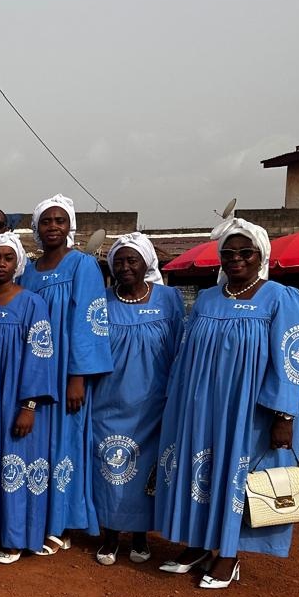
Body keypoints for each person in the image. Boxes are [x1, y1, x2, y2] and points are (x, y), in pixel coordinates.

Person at [151, 218, 299, 590]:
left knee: (236, 476)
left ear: (260, 255)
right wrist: (177, 399)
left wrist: (284, 415)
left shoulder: (280, 297)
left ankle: (229, 555)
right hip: (201, 406)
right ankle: (199, 545)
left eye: (245, 253)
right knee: (200, 472)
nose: (236, 259)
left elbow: (291, 359)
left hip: (247, 410)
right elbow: (186, 352)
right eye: (229, 253)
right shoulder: (207, 298)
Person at [18, 194, 115, 552]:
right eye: (47, 221)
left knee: (66, 443)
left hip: (66, 374)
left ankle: (64, 522)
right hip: (35, 373)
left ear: (69, 226)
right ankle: (39, 516)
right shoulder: (29, 270)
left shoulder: (82, 265)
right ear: (37, 228)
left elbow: (87, 321)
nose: (53, 227)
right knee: (39, 444)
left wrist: (78, 376)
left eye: (60, 221)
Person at [87, 232, 186, 566]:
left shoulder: (169, 299)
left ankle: (142, 535)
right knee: (110, 469)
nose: (125, 266)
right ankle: (111, 535)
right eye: (119, 260)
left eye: (132, 260)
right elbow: (89, 350)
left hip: (153, 403)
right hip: (108, 402)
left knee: (147, 469)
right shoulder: (100, 301)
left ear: (148, 263)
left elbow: (178, 349)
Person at [0, 232, 58, 563]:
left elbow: (40, 357)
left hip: (16, 399)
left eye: (7, 258)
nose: (0, 264)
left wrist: (29, 406)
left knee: (14, 465)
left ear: (17, 262)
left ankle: (15, 538)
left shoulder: (32, 303)